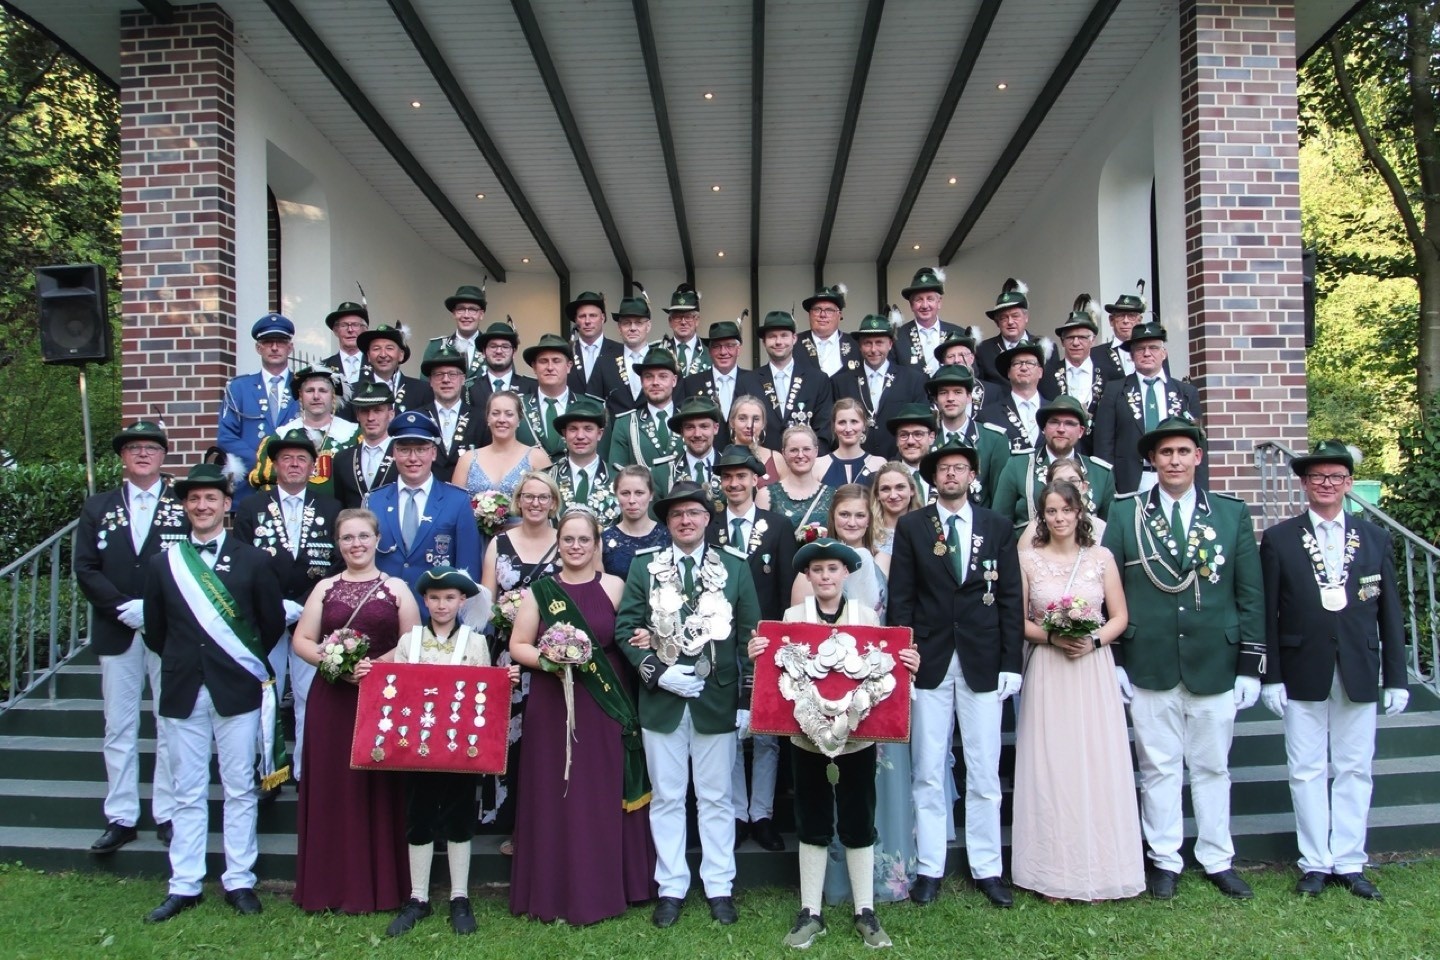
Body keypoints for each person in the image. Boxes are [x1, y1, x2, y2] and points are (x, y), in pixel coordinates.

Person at [1102, 417, 1265, 901]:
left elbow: (1250, 593)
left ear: (1198, 456)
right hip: (1148, 659)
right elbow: (1106, 587)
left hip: (1215, 658)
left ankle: (1218, 858)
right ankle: (1164, 860)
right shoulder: (1126, 513)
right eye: (1164, 453)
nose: (1173, 460)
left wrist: (1250, 664)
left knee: (1213, 766)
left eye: (1182, 451)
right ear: (1152, 461)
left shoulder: (1230, 515)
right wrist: (1115, 659)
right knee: (1158, 767)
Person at [749, 538, 919, 949]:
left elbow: (883, 670)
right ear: (807, 576)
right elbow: (776, 671)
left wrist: (908, 663)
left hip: (857, 739)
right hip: (807, 738)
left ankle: (866, 911)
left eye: (832, 569)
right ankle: (811, 911)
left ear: (846, 573)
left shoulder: (866, 616)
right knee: (812, 819)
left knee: (860, 819)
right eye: (817, 570)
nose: (825, 576)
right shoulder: (792, 617)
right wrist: (759, 650)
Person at [1260, 439, 1409, 900]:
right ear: (1304, 484)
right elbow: (1269, 611)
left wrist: (1397, 677)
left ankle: (1349, 859)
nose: (1327, 484)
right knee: (1305, 768)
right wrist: (1271, 674)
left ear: (1348, 483)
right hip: (1303, 665)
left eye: (1336, 477)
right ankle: (1315, 862)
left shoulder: (1374, 537)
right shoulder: (1280, 538)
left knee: (1355, 767)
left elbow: (1390, 612)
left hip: (1359, 665)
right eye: (1318, 477)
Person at [140, 464, 286, 922]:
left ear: (227, 506)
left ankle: (239, 879)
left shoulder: (254, 561)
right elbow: (156, 631)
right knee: (187, 789)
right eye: (193, 500)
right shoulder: (165, 564)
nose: (202, 507)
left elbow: (269, 624)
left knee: (241, 788)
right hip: (184, 688)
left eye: (211, 499)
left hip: (237, 688)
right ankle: (183, 882)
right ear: (185, 507)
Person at [615, 481, 761, 928]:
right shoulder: (645, 566)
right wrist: (658, 672)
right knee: (668, 797)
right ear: (666, 520)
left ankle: (719, 885)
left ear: (707, 518)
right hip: (663, 698)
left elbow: (751, 636)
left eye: (694, 513)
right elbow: (626, 629)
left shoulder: (734, 567)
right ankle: (672, 887)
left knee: (717, 797)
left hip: (716, 698)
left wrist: (746, 699)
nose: (685, 520)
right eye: (677, 514)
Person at [888, 438, 1023, 908]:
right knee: (927, 769)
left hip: (984, 659)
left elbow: (1010, 599)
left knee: (984, 770)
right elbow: (901, 599)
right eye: (943, 468)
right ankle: (930, 867)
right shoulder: (912, 527)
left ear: (973, 475)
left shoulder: (997, 526)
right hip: (929, 660)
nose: (951, 474)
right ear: (932, 475)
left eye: (960, 467)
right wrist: (904, 656)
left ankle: (988, 868)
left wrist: (1012, 662)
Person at [508, 509, 658, 923]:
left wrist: (643, 635)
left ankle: (611, 885)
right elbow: (519, 644)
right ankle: (553, 888)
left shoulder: (614, 586)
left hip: (605, 699)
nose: (576, 547)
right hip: (552, 702)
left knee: (600, 791)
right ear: (559, 543)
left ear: (597, 544)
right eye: (569, 540)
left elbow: (631, 635)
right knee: (556, 790)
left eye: (584, 540)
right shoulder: (539, 591)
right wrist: (550, 660)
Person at [363, 566, 517, 937]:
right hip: (415, 747)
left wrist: (504, 680)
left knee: (460, 815)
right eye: (434, 598)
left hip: (461, 748)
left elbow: (485, 694)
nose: (442, 604)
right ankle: (418, 897)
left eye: (449, 598)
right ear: (425, 601)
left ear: (462, 601)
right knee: (419, 814)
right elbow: (397, 690)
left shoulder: (476, 642)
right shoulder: (408, 642)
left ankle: (459, 896)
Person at [1012, 480, 1143, 901]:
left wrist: (1094, 640)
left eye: (1066, 510)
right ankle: (1053, 871)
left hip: (1092, 667)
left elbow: (1119, 615)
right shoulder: (1028, 560)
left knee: (1095, 760)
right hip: (1049, 667)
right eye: (1051, 511)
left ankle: (1103, 867)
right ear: (1042, 517)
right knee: (1052, 765)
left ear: (1079, 512)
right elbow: (1019, 620)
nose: (1060, 518)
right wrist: (1052, 638)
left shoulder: (1101, 557)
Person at [792, 485, 919, 905]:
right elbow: (789, 646)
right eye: (844, 515)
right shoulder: (801, 601)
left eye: (860, 515)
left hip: (864, 712)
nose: (852, 522)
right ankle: (815, 901)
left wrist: (906, 663)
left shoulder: (873, 586)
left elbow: (888, 642)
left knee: (861, 804)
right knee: (814, 809)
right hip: (814, 720)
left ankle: (868, 901)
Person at [290, 508, 420, 913]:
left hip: (380, 699)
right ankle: (328, 885)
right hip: (332, 699)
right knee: (333, 787)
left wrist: (373, 667)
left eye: (364, 536)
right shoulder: (325, 588)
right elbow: (303, 639)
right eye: (348, 538)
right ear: (338, 543)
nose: (356, 544)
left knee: (376, 789)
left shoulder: (396, 587)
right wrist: (335, 663)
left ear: (378, 540)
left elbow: (412, 639)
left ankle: (378, 885)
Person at [76, 421, 185, 855]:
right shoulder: (99, 506)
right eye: (134, 448)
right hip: (117, 628)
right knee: (118, 725)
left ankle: (167, 811)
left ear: (162, 456)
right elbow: (86, 567)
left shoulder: (181, 505)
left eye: (151, 448)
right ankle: (120, 815)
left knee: (168, 721)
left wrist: (155, 609)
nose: (142, 454)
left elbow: (193, 565)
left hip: (168, 628)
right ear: (123, 457)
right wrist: (123, 606)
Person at [233, 429, 342, 783]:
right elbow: (240, 562)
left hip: (313, 617)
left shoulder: (331, 507)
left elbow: (340, 563)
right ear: (274, 464)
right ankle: (267, 770)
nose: (294, 465)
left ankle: (305, 769)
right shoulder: (251, 507)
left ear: (313, 466)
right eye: (286, 459)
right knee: (266, 695)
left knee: (311, 697)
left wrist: (306, 605)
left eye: (302, 459)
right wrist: (274, 604)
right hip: (265, 618)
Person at [709, 444, 797, 854]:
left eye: (741, 476)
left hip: (766, 644)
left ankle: (761, 814)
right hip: (718, 645)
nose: (734, 483)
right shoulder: (708, 527)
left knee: (765, 734)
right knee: (728, 732)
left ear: (755, 479)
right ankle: (735, 814)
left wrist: (780, 640)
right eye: (726, 477)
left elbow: (784, 588)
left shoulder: (778, 526)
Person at [479, 471, 562, 839]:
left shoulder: (567, 542)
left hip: (554, 656)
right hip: (506, 656)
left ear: (554, 504)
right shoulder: (499, 544)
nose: (535, 503)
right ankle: (508, 819)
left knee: (546, 738)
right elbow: (484, 602)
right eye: (528, 496)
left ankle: (545, 823)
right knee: (509, 734)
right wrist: (505, 613)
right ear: (518, 500)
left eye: (543, 497)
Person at [367, 411, 482, 605]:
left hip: (436, 616)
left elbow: (467, 570)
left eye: (421, 449)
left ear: (433, 453)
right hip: (382, 610)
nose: (413, 458)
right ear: (394, 453)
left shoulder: (457, 501)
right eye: (404, 450)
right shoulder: (374, 501)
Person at [1092, 321, 1204, 495]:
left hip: (1177, 478)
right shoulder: (1114, 390)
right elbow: (1104, 443)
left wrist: (1201, 489)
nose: (1146, 353)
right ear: (1131, 355)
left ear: (1163, 353)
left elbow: (1199, 443)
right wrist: (1107, 488)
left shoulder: (1186, 392)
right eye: (1139, 349)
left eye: (1153, 347)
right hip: (1130, 481)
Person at [990, 395, 1116, 529]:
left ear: (1080, 431)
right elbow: (999, 523)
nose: (1061, 429)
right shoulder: (1018, 465)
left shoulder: (1101, 474)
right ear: (1044, 428)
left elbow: (1110, 530)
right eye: (1054, 422)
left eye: (1069, 423)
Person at [217, 313, 298, 502]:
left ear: (290, 347)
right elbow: (226, 436)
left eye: (281, 341)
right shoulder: (238, 388)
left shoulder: (305, 387)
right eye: (268, 342)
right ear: (258, 348)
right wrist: (263, 463)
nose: (275, 347)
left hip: (297, 486)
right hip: (250, 487)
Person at [249, 365, 358, 499]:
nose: (316, 396)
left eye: (323, 391)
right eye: (310, 391)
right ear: (301, 395)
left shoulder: (353, 435)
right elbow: (266, 488)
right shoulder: (281, 436)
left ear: (333, 396)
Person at [831, 313, 928, 460]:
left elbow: (920, 425)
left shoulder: (912, 379)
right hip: (854, 463)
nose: (873, 349)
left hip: (899, 462)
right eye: (867, 343)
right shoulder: (841, 382)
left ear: (890, 344)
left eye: (879, 342)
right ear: (860, 345)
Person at [1039, 295, 1112, 455]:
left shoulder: (1110, 375)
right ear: (1062, 342)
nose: (1076, 342)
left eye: (1083, 337)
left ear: (1093, 341)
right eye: (1070, 337)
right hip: (1058, 455)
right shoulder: (1046, 375)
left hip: (1099, 455)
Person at [454, 389, 552, 506]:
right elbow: (455, 507)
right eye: (495, 413)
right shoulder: (467, 459)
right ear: (488, 418)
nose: (501, 419)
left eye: (509, 414)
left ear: (519, 419)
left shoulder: (537, 458)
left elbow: (549, 505)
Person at [756, 309, 835, 453]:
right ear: (764, 342)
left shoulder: (818, 380)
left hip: (806, 465)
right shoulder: (748, 381)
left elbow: (825, 430)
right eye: (772, 337)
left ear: (794, 338)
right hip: (762, 468)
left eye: (784, 336)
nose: (778, 342)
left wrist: (809, 461)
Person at [680, 319, 763, 447]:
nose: (723, 352)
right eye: (717, 346)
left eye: (729, 346)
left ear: (738, 349)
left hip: (746, 457)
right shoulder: (691, 383)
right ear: (709, 351)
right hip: (706, 458)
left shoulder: (754, 380)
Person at [606, 346, 683, 470]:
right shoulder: (625, 424)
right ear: (642, 381)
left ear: (674, 381)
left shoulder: (688, 422)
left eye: (662, 376)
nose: (655, 382)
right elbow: (617, 473)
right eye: (649, 377)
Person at [419, 340, 483, 481]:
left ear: (463, 379)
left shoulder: (480, 419)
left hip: (468, 498)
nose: (446, 380)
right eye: (439, 374)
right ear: (430, 381)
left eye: (452, 374)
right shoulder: (419, 418)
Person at [466, 321, 537, 445]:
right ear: (483, 352)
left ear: (514, 352)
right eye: (493, 346)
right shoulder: (469, 389)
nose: (499, 351)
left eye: (505, 346)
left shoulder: (531, 387)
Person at [516, 333, 585, 458]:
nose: (550, 367)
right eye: (543, 361)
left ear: (569, 366)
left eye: (556, 361)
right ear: (534, 367)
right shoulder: (517, 407)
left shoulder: (589, 406)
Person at [332, 381, 399, 509]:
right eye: (364, 411)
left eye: (378, 410)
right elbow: (340, 505)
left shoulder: (403, 455)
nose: (370, 418)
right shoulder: (342, 458)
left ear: (391, 414)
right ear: (357, 415)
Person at [547, 396, 615, 519]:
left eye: (588, 429)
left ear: (599, 434)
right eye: (573, 429)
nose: (580, 436)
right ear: (564, 434)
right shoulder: (548, 478)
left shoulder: (618, 478)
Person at [652, 396, 724, 510]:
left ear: (715, 428)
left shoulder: (730, 468)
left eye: (704, 426)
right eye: (690, 427)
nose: (697, 434)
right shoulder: (662, 473)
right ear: (681, 431)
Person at [974, 278, 1046, 385]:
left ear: (1026, 317)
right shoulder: (983, 350)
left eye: (1015, 316)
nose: (1010, 322)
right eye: (1004, 318)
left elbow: (1050, 391)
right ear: (997, 322)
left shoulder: (1044, 347)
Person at [603, 465, 671, 579]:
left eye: (639, 493)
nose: (632, 500)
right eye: (625, 493)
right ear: (616, 495)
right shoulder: (604, 540)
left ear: (651, 495)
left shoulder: (668, 536)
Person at [979, 341, 1047, 454]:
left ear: (1040, 372)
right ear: (1008, 373)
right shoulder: (987, 416)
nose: (1024, 368)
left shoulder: (1057, 412)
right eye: (1017, 363)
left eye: (1030, 363)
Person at [891, 267, 961, 374]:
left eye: (930, 299)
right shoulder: (897, 337)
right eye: (919, 300)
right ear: (911, 305)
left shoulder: (959, 333)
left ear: (939, 302)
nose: (924, 305)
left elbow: (972, 372)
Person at [1017, 458, 1105, 544]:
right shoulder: (1033, 530)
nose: (1067, 487)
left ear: (1084, 487)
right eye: (1059, 482)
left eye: (1073, 481)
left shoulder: (1100, 528)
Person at [768, 425, 835, 534]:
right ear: (784, 453)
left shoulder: (833, 495)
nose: (800, 455)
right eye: (794, 450)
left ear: (816, 451)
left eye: (806, 449)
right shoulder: (766, 496)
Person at [354, 323, 432, 415]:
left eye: (389, 348)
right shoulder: (354, 391)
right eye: (376, 348)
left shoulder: (423, 390)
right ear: (368, 356)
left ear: (401, 355)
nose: (383, 354)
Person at [566, 290, 627, 401]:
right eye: (582, 316)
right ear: (575, 320)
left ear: (602, 318)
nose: (587, 321)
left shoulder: (621, 351)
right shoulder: (566, 352)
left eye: (593, 315)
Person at [816, 399, 888, 488]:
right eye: (842, 422)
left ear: (864, 425)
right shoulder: (818, 465)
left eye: (854, 422)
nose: (848, 429)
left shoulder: (879, 464)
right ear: (834, 426)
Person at [796, 284, 860, 376]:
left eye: (829, 310)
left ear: (839, 315)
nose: (823, 315)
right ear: (809, 314)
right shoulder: (793, 344)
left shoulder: (855, 345)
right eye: (817, 309)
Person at [611, 286, 656, 410]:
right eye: (626, 323)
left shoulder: (661, 360)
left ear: (648, 326)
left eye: (638, 322)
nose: (632, 328)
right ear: (619, 327)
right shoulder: (605, 361)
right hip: (616, 429)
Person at [1095, 280, 1149, 380]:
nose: (1125, 321)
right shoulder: (1095, 354)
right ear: (1111, 320)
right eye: (1120, 316)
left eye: (1131, 316)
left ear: (1139, 321)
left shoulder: (1153, 352)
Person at [438, 283, 490, 384]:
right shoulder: (436, 347)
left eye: (472, 310)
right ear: (454, 313)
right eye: (461, 309)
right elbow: (426, 388)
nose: (466, 315)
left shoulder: (494, 349)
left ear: (481, 314)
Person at [886, 403, 938, 503]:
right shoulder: (883, 477)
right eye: (903, 435)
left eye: (918, 434)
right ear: (897, 440)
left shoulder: (944, 475)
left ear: (931, 437)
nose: (910, 441)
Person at [729, 394, 781, 488]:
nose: (749, 425)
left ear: (763, 424)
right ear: (732, 422)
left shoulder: (777, 459)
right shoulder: (721, 458)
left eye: (756, 419)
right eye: (742, 418)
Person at [659, 283, 710, 377]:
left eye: (688, 317)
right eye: (678, 317)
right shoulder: (659, 351)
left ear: (697, 320)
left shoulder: (710, 353)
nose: (683, 322)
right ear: (670, 321)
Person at [870, 462, 920, 556]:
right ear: (877, 495)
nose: (893, 495)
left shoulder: (926, 528)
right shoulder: (866, 531)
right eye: (885, 489)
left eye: (900, 487)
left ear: (912, 490)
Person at [321, 301, 369, 390]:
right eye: (344, 325)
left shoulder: (376, 365)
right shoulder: (323, 368)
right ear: (335, 331)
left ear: (364, 330)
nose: (350, 330)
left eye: (355, 325)